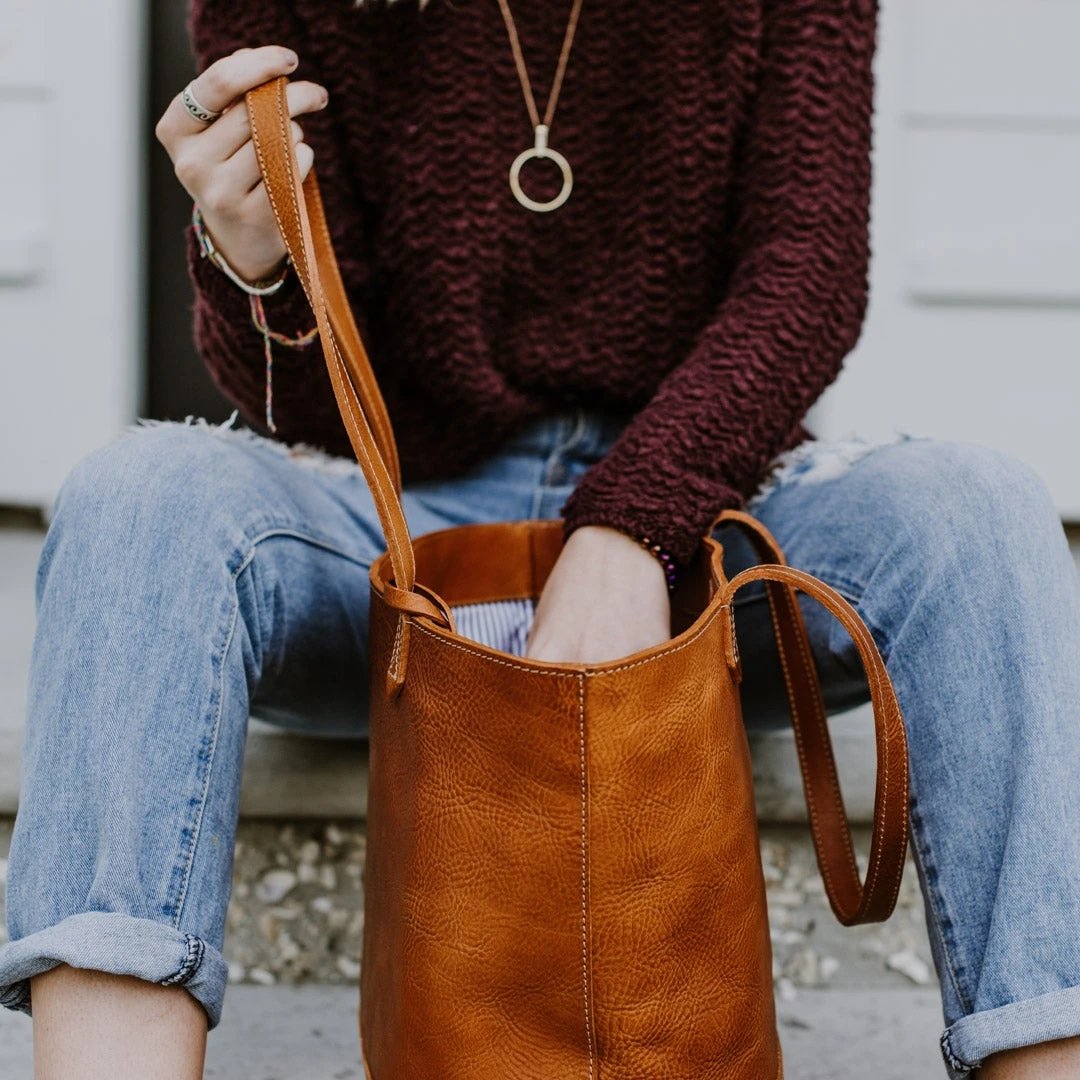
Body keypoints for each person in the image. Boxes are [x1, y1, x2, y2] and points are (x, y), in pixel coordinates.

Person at [2, 2, 1078, 1077]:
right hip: (402, 527)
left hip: (712, 510)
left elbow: (807, 274)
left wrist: (632, 529)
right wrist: (259, 268)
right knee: (142, 494)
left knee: (972, 506)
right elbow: (321, 406)